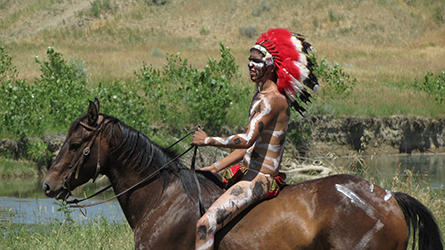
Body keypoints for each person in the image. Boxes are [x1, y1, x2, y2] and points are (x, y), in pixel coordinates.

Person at [191, 28, 319, 250]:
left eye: (257, 61)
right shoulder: (259, 97)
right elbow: (246, 151)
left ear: (270, 66)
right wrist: (214, 167)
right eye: (250, 60)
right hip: (247, 171)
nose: (250, 65)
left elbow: (247, 140)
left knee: (205, 225)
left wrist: (207, 140)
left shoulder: (273, 101)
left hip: (261, 178)